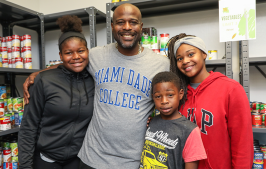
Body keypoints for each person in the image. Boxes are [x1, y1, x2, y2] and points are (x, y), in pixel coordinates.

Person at [23, 3, 170, 169]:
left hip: (133, 161)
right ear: (112, 26)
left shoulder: (162, 64)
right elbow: (72, 61)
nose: (127, 27)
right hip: (91, 158)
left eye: (133, 22)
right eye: (121, 22)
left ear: (141, 27)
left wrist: (158, 119)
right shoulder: (96, 55)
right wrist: (39, 74)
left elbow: (173, 97)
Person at [18, 15, 95, 169]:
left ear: (88, 51)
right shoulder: (44, 81)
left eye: (81, 51)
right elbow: (28, 126)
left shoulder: (94, 79)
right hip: (46, 159)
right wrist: (25, 166)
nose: (76, 57)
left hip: (78, 159)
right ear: (60, 56)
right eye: (68, 53)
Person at [167, 33, 253, 168]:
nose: (185, 61)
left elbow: (243, 145)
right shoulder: (179, 94)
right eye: (179, 58)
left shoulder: (231, 89)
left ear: (204, 54)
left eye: (190, 54)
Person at [140, 71, 207, 169]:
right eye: (158, 96)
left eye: (170, 95)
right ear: (153, 97)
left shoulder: (190, 130)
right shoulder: (151, 122)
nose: (164, 101)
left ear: (180, 94)